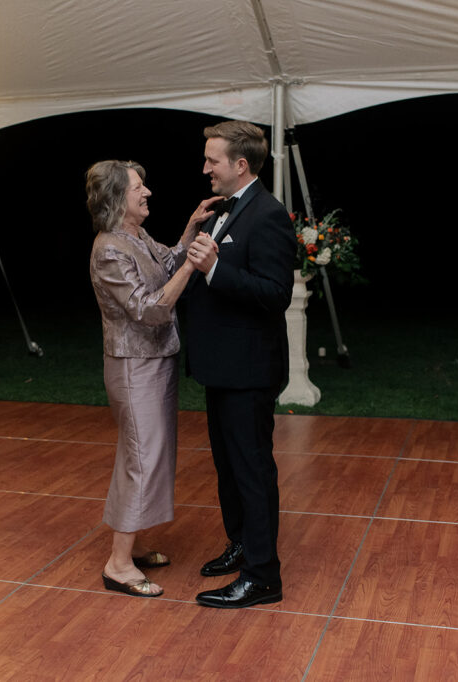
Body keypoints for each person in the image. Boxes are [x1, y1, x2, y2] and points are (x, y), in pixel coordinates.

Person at [86, 159, 220, 598]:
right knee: (141, 459)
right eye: (138, 188)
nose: (147, 193)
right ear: (116, 199)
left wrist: (187, 233)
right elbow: (149, 310)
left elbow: (163, 262)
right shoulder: (109, 249)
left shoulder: (134, 236)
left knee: (148, 456)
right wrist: (194, 265)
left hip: (155, 362)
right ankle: (118, 565)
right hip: (133, 368)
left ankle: (134, 543)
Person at [182, 120, 296, 608]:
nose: (205, 167)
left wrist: (214, 268)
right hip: (221, 365)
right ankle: (242, 544)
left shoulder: (268, 215)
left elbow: (275, 294)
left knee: (251, 469)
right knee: (228, 467)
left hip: (249, 369)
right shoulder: (224, 209)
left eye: (213, 160)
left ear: (240, 164)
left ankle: (263, 576)